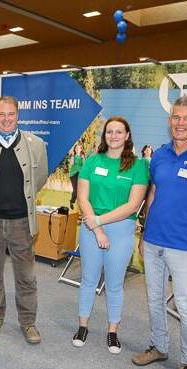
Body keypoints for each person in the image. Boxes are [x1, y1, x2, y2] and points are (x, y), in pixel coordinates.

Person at [0, 96, 48, 344]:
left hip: (22, 223)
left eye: (10, 114)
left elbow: (39, 179)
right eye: (1, 114)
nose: (6, 119)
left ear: (18, 116)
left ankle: (28, 322)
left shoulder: (36, 145)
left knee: (26, 276)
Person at [72, 116, 148, 353]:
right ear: (104, 135)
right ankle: (82, 327)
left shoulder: (138, 166)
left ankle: (113, 332)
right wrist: (96, 229)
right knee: (88, 280)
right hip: (91, 228)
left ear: (127, 136)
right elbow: (82, 197)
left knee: (114, 284)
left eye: (119, 132)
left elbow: (133, 205)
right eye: (109, 131)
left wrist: (99, 222)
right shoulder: (92, 161)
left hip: (121, 230)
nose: (113, 136)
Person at [132, 96, 187, 369]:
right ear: (170, 121)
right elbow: (152, 194)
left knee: (185, 306)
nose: (181, 123)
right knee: (154, 299)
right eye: (176, 117)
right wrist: (144, 233)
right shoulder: (160, 155)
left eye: (186, 119)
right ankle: (159, 346)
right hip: (154, 240)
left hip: (183, 245)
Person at [69, 141, 85, 210]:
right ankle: (72, 201)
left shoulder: (82, 156)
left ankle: (80, 205)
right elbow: (71, 164)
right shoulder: (73, 156)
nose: (78, 149)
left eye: (79, 148)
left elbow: (84, 166)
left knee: (81, 190)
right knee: (75, 189)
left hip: (80, 174)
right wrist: (73, 156)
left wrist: (83, 158)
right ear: (75, 149)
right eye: (76, 148)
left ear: (81, 149)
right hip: (73, 174)